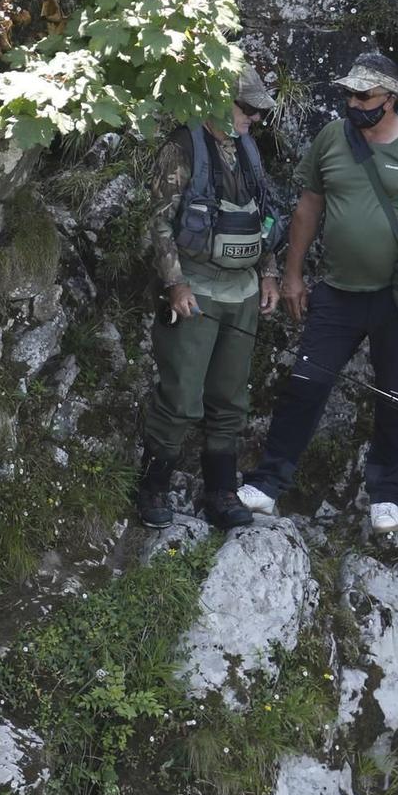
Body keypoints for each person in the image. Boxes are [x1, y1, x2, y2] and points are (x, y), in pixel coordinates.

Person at [240, 50, 398, 535]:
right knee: (305, 385)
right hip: (336, 291)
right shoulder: (331, 139)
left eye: (365, 95)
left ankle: (387, 495)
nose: (355, 103)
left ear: (390, 98)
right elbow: (307, 210)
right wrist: (293, 276)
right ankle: (269, 482)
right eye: (349, 94)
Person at [138, 66, 284, 532]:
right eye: (248, 108)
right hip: (195, 293)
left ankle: (221, 490)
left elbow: (264, 219)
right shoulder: (182, 148)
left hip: (241, 294)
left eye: (260, 111)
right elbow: (159, 221)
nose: (255, 119)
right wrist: (175, 284)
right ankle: (153, 484)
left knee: (230, 398)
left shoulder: (250, 153)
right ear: (220, 102)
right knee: (181, 398)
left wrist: (269, 274)